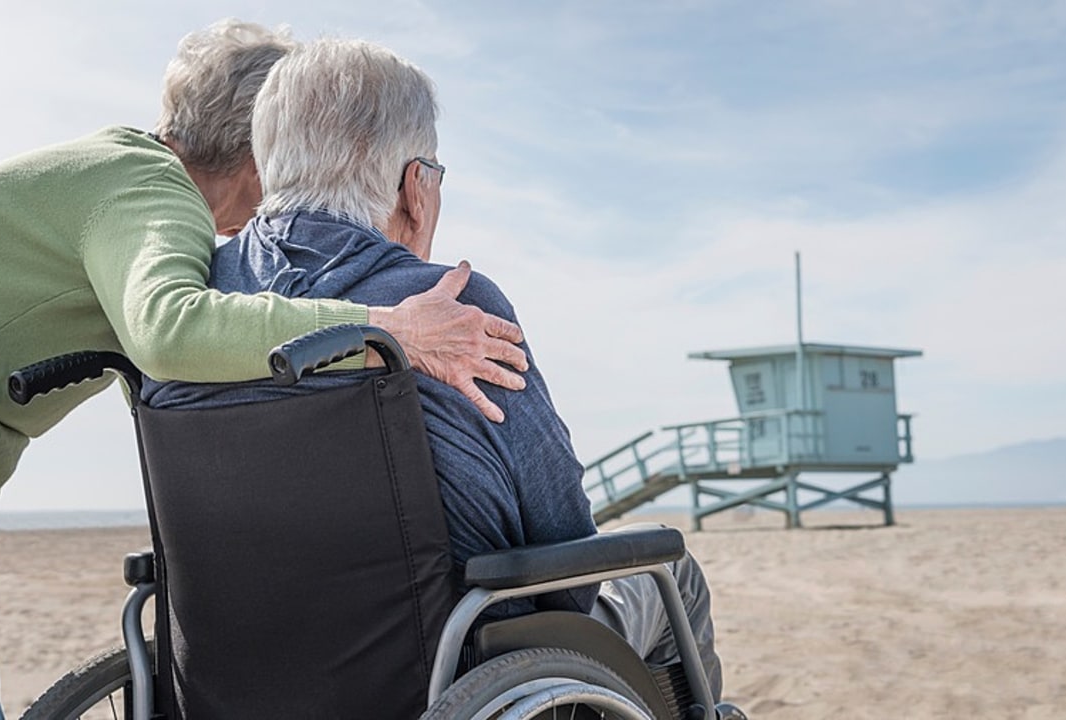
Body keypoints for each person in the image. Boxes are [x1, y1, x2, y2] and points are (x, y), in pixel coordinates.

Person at [0, 21, 529, 720]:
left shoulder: (115, 173)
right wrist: (390, 330)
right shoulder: (150, 190)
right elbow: (170, 331)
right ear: (261, 157)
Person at [145, 37, 742, 715]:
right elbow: (562, 540)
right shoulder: (451, 311)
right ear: (414, 185)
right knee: (671, 574)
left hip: (235, 679)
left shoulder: (189, 307)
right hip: (452, 677)